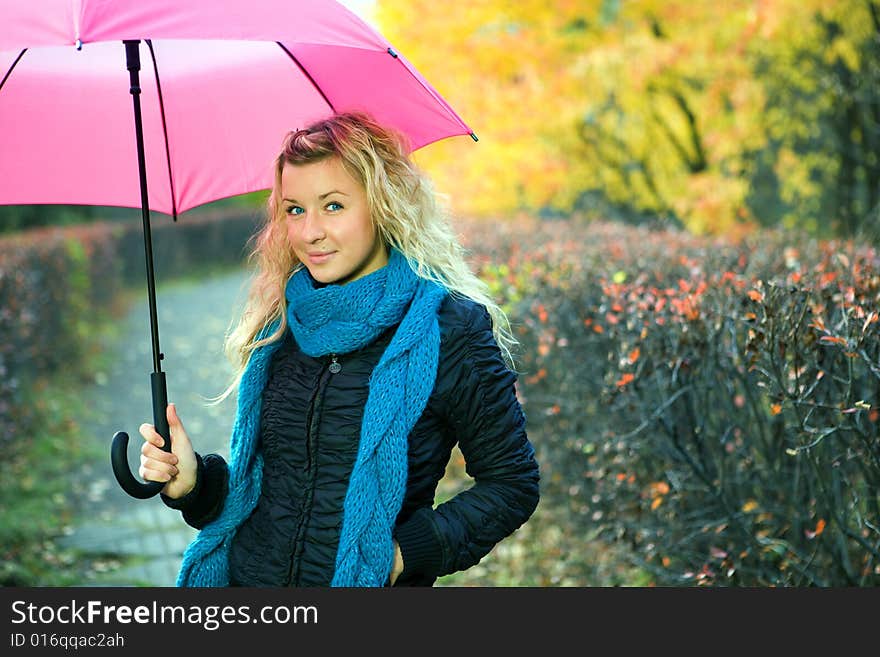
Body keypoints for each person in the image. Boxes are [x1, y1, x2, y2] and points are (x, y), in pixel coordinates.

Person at [138, 111, 540, 587]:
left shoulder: (448, 329)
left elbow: (511, 485)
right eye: (294, 209)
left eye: (332, 206)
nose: (310, 232)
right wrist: (193, 485)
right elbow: (271, 495)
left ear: (382, 204)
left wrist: (401, 555)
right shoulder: (285, 322)